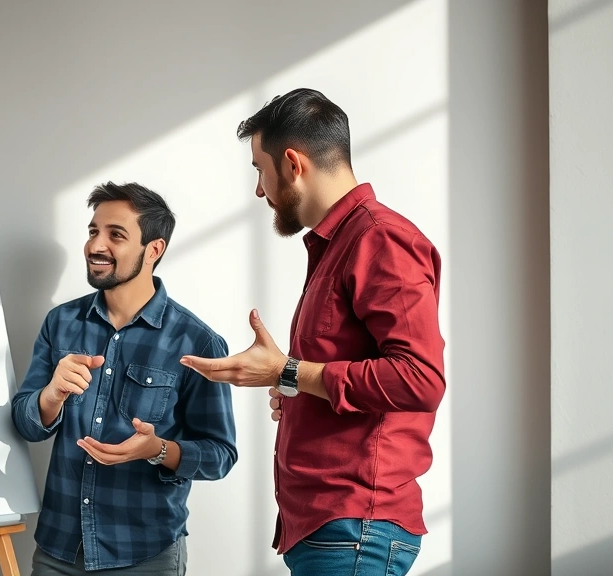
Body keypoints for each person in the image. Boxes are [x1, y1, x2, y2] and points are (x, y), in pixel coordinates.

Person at [180, 88, 446, 576]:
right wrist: (289, 383)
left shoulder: (380, 239)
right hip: (331, 531)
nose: (259, 190)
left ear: (292, 163)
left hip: (355, 529)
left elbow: (419, 380)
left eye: (259, 170)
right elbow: (345, 370)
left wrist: (289, 371)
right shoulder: (339, 245)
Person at [11, 181, 238, 575]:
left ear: (153, 250)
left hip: (144, 555)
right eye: (93, 231)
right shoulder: (61, 324)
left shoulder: (197, 342)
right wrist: (51, 396)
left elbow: (221, 455)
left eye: (115, 235)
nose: (96, 245)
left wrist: (158, 449)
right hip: (57, 549)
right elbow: (25, 424)